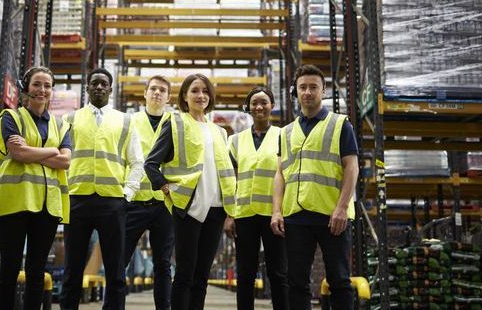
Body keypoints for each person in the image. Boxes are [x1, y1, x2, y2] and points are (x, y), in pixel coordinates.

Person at [270, 64, 360, 310]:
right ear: (296, 92)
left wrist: (342, 208)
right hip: (296, 216)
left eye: (313, 87)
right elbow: (280, 174)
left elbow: (352, 167)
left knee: (339, 280)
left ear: (323, 90)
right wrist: (277, 211)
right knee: (297, 282)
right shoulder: (286, 132)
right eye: (302, 87)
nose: (307, 92)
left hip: (332, 216)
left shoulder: (340, 125)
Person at [144, 73, 237, 310]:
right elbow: (151, 163)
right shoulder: (175, 123)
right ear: (185, 96)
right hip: (188, 208)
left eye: (205, 91)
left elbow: (224, 171)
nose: (201, 96)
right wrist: (166, 188)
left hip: (215, 210)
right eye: (195, 90)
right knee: (185, 274)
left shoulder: (219, 131)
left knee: (202, 277)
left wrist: (230, 210)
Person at [60, 68, 144, 310]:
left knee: (116, 270)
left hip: (112, 203)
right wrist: (65, 191)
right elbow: (62, 158)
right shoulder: (70, 120)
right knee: (72, 269)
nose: (98, 87)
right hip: (77, 200)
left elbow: (137, 161)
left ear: (110, 89)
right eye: (94, 83)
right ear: (87, 88)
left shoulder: (125, 121)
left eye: (103, 84)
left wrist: (127, 194)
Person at [0, 66, 72, 310]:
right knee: (10, 267)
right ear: (26, 88)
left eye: (47, 85)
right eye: (37, 84)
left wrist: (32, 152)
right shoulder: (10, 118)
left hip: (47, 205)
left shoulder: (61, 125)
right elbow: (18, 152)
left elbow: (66, 160)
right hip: (14, 202)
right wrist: (51, 151)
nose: (42, 90)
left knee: (37, 270)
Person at [224, 86, 289, 310]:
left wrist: (280, 212)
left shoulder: (283, 136)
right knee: (245, 274)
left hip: (274, 215)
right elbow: (228, 179)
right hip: (244, 215)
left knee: (278, 272)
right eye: (254, 103)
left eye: (264, 102)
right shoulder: (235, 141)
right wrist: (229, 215)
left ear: (272, 106)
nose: (259, 106)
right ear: (248, 108)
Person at [124, 75, 174, 310]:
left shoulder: (176, 123)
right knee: (119, 260)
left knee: (163, 264)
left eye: (162, 90)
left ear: (168, 96)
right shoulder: (130, 121)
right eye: (153, 89)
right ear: (144, 93)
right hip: (133, 202)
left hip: (166, 204)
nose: (157, 93)